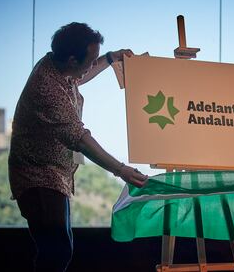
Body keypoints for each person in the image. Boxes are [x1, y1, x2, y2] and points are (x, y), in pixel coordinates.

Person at [8, 22, 148, 272]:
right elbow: (81, 139)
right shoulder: (48, 90)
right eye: (91, 59)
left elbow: (82, 75)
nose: (92, 64)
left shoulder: (56, 64)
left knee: (59, 249)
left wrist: (109, 58)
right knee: (57, 252)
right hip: (39, 177)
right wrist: (121, 170)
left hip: (53, 174)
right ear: (72, 60)